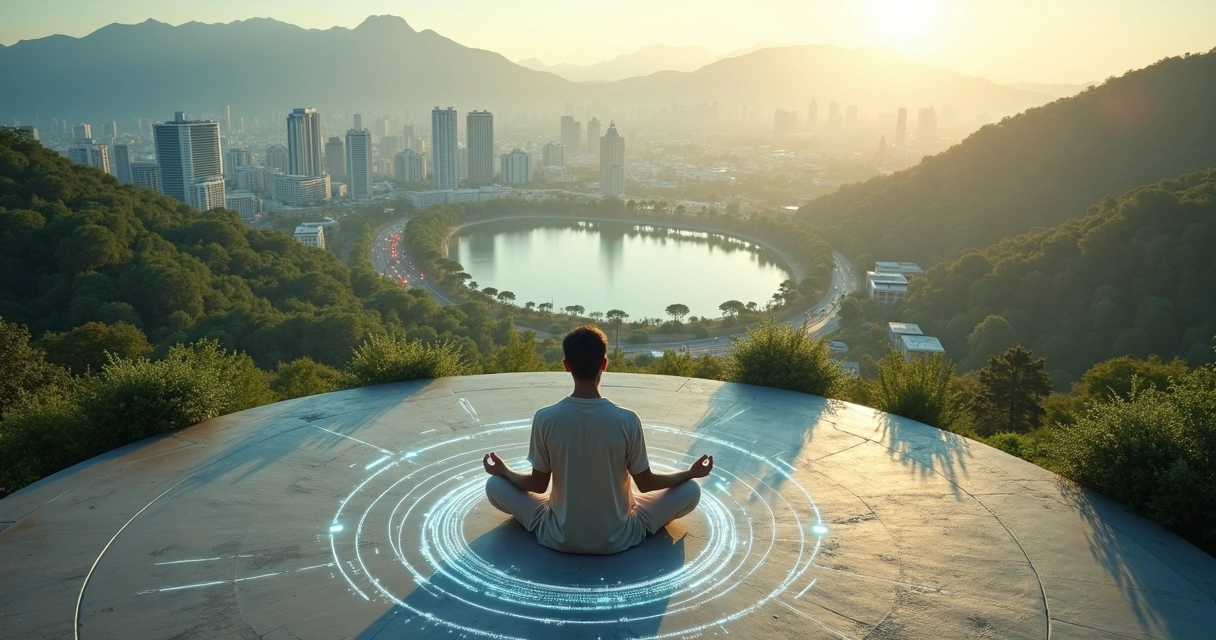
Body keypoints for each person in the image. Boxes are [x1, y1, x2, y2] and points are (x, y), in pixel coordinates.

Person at [483, 326, 712, 555]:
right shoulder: (627, 420)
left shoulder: (546, 418)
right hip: (620, 536)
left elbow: (537, 485)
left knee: (494, 485)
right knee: (690, 490)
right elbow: (646, 483)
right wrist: (690, 473)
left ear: (566, 365)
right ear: (604, 364)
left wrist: (504, 470)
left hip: (558, 535)